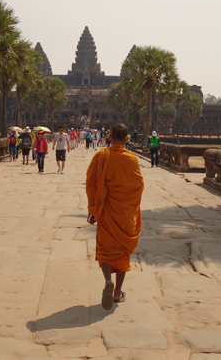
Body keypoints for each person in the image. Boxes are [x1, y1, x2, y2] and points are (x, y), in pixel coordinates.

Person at [86, 123, 145, 310]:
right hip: (126, 213)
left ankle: (107, 281)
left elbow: (91, 184)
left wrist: (93, 209)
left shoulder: (101, 156)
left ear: (109, 137)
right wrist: (132, 207)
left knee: (105, 248)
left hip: (105, 211)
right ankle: (118, 292)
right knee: (122, 251)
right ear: (127, 138)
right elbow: (138, 186)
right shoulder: (132, 159)